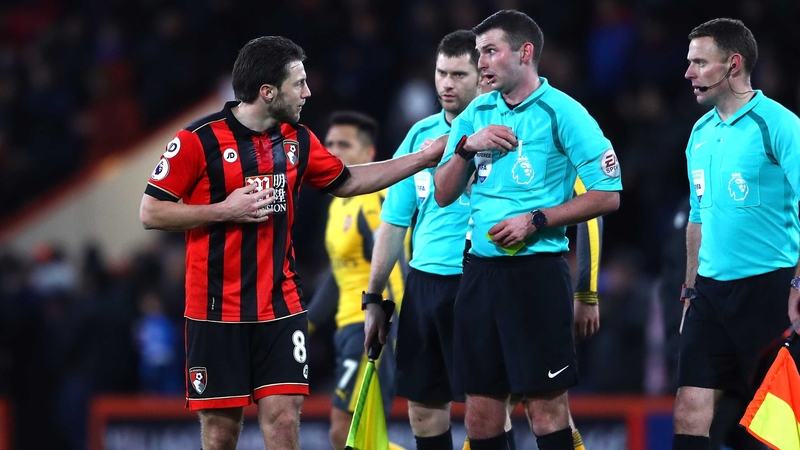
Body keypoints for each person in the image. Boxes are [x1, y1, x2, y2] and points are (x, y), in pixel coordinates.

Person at [138, 36, 445, 450]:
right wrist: (223, 210)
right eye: (298, 83)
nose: (308, 92)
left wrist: (422, 160)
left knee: (283, 421)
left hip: (281, 308)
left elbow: (349, 180)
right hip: (214, 311)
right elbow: (151, 212)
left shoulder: (298, 139)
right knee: (220, 432)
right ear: (268, 92)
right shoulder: (199, 139)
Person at [433, 10, 622, 450]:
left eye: (490, 52)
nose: (481, 63)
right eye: (478, 53)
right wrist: (465, 147)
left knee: (545, 411)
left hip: (536, 276)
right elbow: (443, 195)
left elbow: (608, 194)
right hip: (479, 276)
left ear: (525, 52)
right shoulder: (476, 112)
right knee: (480, 416)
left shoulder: (564, 112)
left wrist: (536, 220)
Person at [674, 18, 800, 450]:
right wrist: (690, 290)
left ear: (733, 64)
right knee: (688, 412)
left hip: (769, 291)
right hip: (709, 296)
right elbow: (697, 216)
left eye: (699, 63)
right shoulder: (699, 133)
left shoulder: (780, 125)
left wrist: (799, 282)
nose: (689, 73)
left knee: (773, 431)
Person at [305, 110, 406, 450]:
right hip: (348, 328)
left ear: (369, 154)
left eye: (343, 144)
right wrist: (308, 323)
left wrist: (393, 326)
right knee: (361, 438)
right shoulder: (338, 202)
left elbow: (398, 262)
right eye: (329, 143)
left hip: (371, 327)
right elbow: (338, 274)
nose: (333, 150)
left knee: (345, 432)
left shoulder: (374, 200)